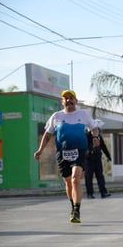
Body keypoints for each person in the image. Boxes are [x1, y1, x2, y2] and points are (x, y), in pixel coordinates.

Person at [34, 90, 99, 223]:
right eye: (66, 98)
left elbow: (94, 127)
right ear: (62, 102)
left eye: (71, 98)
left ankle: (77, 210)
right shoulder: (56, 116)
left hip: (79, 151)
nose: (68, 100)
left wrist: (95, 136)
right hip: (62, 153)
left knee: (75, 179)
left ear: (76, 100)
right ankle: (72, 206)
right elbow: (47, 135)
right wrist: (40, 150)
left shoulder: (83, 114)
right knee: (68, 181)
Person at [85, 119, 112, 199]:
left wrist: (108, 156)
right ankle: (89, 194)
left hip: (97, 159)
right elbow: (83, 146)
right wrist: (89, 151)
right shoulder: (87, 135)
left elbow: (103, 146)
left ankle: (103, 192)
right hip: (88, 160)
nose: (99, 129)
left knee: (100, 176)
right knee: (88, 177)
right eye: (98, 128)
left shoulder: (99, 136)